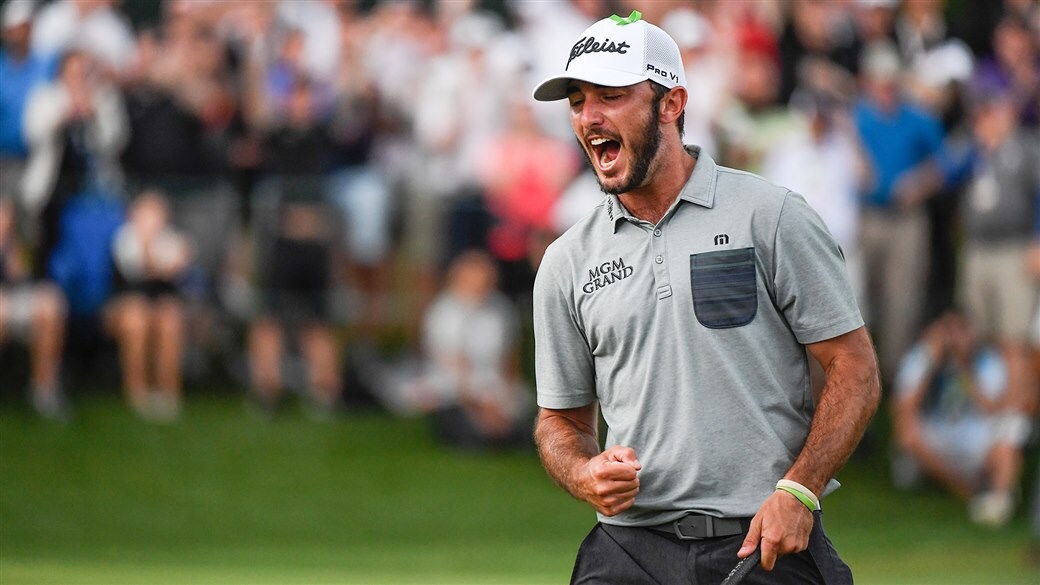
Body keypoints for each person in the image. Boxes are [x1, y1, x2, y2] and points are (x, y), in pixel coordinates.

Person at [530, 12, 880, 584]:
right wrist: (582, 471)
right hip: (627, 553)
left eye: (611, 96)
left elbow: (855, 368)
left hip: (762, 542)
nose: (588, 116)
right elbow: (559, 420)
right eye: (576, 101)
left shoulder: (773, 217)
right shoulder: (566, 260)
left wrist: (800, 490)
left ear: (671, 103)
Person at [891, 312, 1033, 527]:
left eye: (960, 330)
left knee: (1014, 426)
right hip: (939, 432)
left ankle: (998, 497)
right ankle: (969, 493)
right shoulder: (922, 358)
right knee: (907, 433)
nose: (954, 338)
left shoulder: (985, 359)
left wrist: (966, 366)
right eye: (948, 330)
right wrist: (931, 363)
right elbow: (904, 409)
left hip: (978, 433)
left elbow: (991, 407)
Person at [105, 191, 191, 421]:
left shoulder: (173, 240)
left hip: (163, 304)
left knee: (171, 323)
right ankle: (137, 392)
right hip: (128, 303)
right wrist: (147, 246)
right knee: (136, 321)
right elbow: (140, 272)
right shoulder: (124, 239)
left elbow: (175, 273)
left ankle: (168, 393)